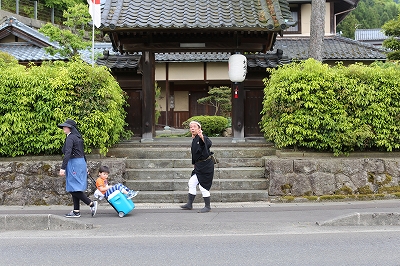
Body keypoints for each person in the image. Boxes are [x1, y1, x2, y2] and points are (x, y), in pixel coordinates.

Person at [58, 119, 98, 218]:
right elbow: (82, 153)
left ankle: (91, 204)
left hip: (74, 163)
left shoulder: (70, 138)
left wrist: (63, 168)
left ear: (70, 128)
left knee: (73, 188)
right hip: (80, 162)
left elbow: (67, 153)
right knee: (74, 187)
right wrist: (85, 166)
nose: (64, 128)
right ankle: (76, 211)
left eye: (65, 126)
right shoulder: (77, 137)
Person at [180, 121, 214, 213]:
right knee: (191, 182)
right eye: (191, 127)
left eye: (194, 126)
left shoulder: (202, 137)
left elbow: (208, 143)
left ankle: (207, 206)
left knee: (203, 186)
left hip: (206, 166)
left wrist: (202, 137)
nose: (192, 128)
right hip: (199, 166)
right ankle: (189, 204)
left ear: (199, 128)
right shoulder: (194, 139)